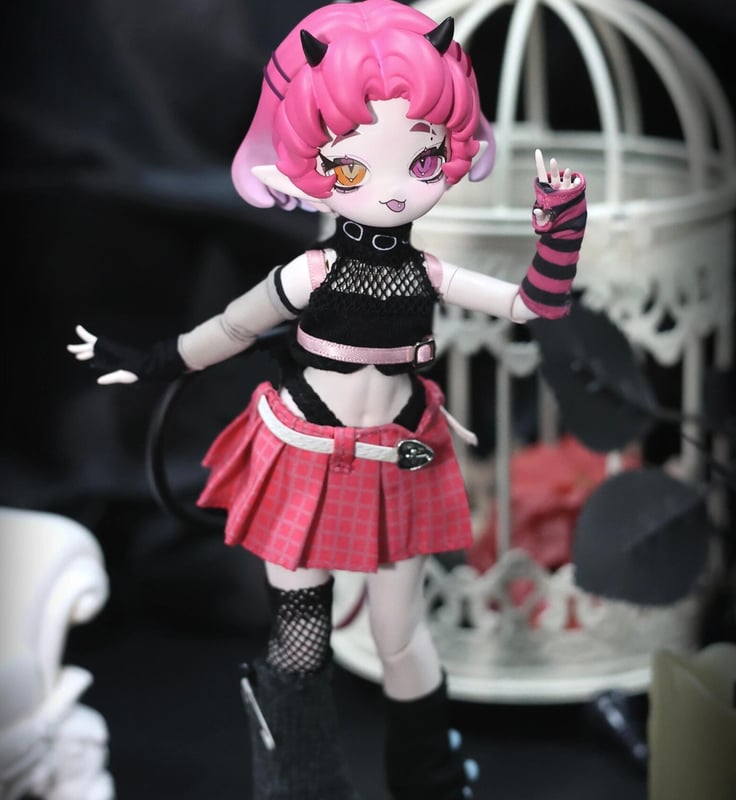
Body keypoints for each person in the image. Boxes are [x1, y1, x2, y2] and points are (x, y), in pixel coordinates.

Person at [68, 1, 586, 797]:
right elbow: (231, 328)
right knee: (299, 636)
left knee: (400, 636)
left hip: (400, 453)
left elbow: (531, 305)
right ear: (309, 165)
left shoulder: (427, 272)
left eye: (423, 159)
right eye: (351, 169)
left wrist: (560, 232)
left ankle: (431, 777)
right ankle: (300, 784)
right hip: (308, 452)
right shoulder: (310, 274)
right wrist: (148, 362)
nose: (393, 193)